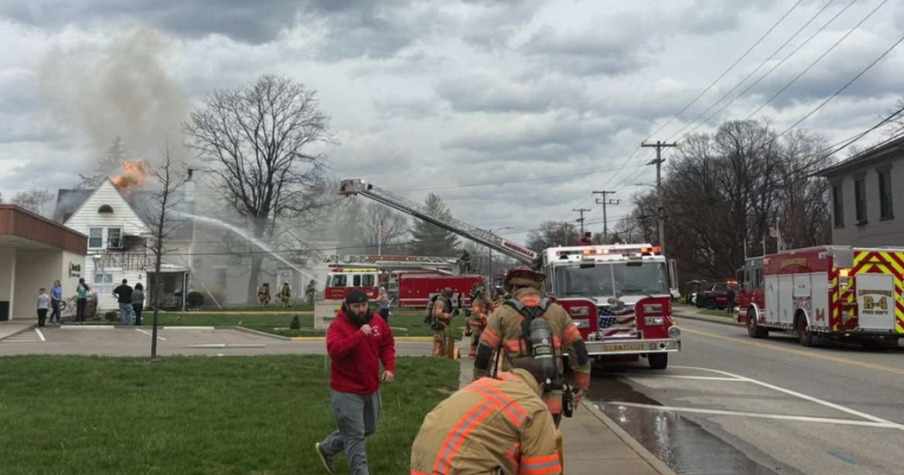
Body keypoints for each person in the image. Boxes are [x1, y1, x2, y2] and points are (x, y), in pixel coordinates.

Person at [474, 266, 591, 427]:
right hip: (551, 398)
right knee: (546, 445)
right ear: (537, 287)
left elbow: (484, 354)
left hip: (514, 398)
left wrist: (479, 387)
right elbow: (578, 350)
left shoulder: (502, 313)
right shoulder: (558, 312)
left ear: (513, 287)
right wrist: (581, 386)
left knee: (515, 447)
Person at [410, 358, 562, 475]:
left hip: (421, 467)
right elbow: (541, 470)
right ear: (540, 386)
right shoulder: (533, 405)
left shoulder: (481, 385)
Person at [316, 290, 396, 475]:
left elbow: (387, 344)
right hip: (346, 390)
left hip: (370, 387)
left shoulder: (376, 321)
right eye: (356, 307)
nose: (361, 310)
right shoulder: (338, 326)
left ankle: (328, 448)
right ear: (347, 307)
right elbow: (335, 350)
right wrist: (359, 335)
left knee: (369, 428)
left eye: (364, 305)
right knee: (355, 437)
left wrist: (389, 368)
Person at [430, 288, 455, 358]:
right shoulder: (440, 302)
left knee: (442, 343)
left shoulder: (440, 301)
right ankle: (436, 358)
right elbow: (438, 314)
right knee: (439, 343)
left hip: (440, 326)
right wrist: (447, 316)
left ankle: (443, 358)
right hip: (438, 325)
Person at [464, 294, 491, 358]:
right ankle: (473, 351)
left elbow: (492, 306)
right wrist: (486, 317)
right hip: (476, 322)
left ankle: (484, 351)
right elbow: (478, 313)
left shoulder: (487, 300)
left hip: (484, 322)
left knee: (486, 337)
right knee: (476, 336)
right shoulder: (476, 302)